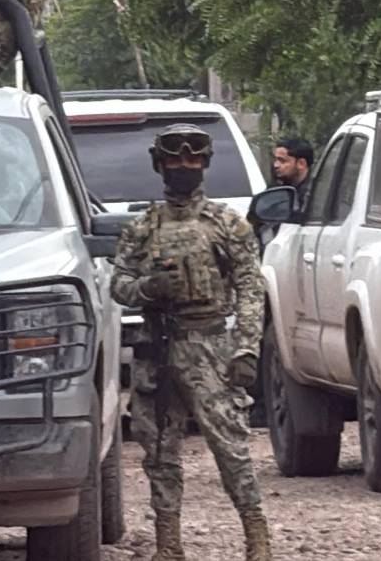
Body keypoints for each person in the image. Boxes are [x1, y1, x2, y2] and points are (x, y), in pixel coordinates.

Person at [110, 123, 271, 561]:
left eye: (193, 158)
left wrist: (247, 348)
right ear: (160, 164)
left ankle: (257, 538)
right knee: (160, 452)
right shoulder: (143, 227)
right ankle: (169, 545)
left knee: (231, 448)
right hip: (158, 348)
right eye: (176, 159)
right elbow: (118, 282)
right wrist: (147, 288)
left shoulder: (227, 224)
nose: (185, 166)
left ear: (204, 163)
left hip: (211, 346)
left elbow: (251, 288)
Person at [270, 136, 314, 211]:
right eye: (276, 160)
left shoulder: (315, 193)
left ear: (301, 163)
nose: (276, 165)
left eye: (282, 161)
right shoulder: (276, 189)